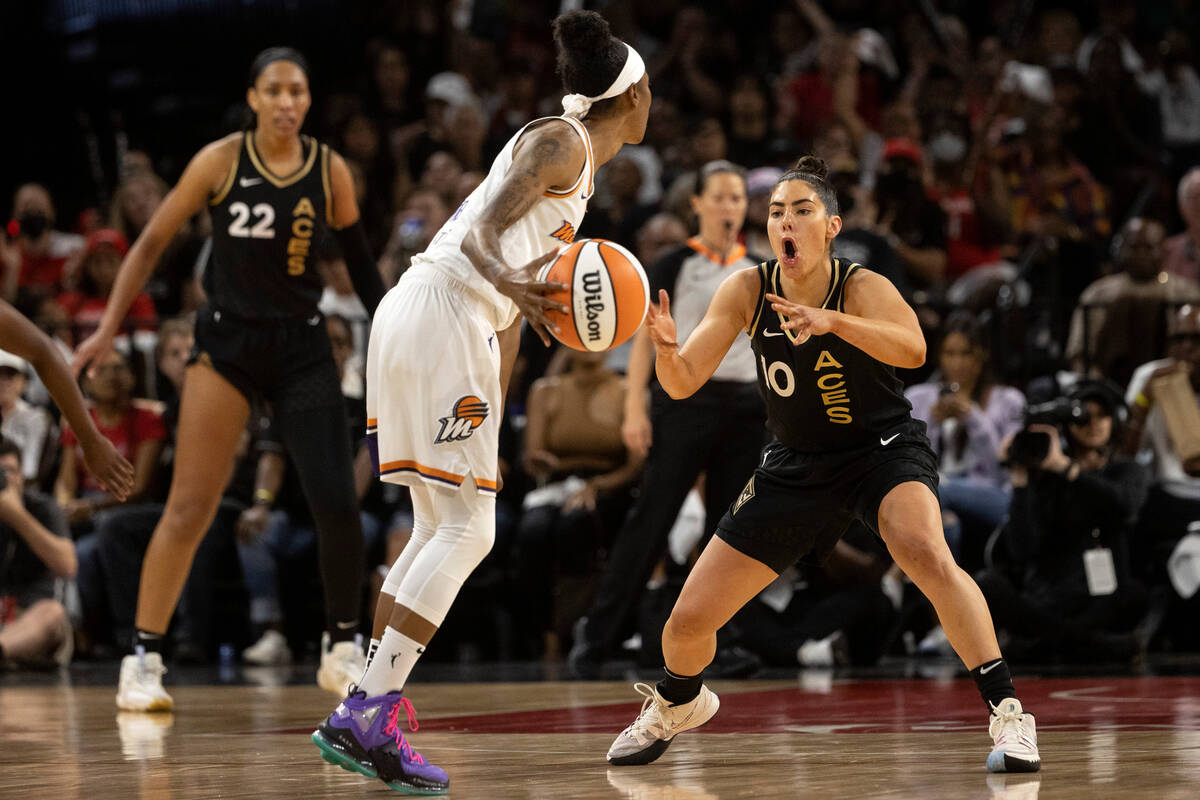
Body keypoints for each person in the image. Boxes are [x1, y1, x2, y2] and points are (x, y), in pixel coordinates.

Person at [605, 156, 1040, 774]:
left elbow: (915, 348)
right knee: (685, 624)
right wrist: (667, 348)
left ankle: (1008, 714)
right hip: (796, 463)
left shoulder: (859, 285)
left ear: (831, 226)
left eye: (802, 210)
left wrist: (830, 322)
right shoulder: (748, 289)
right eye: (777, 211)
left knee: (924, 550)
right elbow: (680, 384)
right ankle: (681, 701)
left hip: (880, 450)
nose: (786, 220)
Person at [310, 11, 651, 795]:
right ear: (632, 95)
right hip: (448, 306)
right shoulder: (561, 142)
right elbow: (479, 241)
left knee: (441, 523)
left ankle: (365, 707)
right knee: (469, 529)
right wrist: (507, 287)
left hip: (439, 316)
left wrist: (496, 389)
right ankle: (369, 708)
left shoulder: (574, 155)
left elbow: (513, 288)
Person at [70, 47, 387, 711]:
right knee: (190, 508)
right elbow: (151, 243)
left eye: (297, 91)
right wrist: (105, 329)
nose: (286, 102)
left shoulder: (330, 171)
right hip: (227, 346)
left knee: (335, 498)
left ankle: (342, 647)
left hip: (301, 345)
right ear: (252, 98)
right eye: (273, 90)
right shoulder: (219, 161)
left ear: (307, 99)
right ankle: (144, 659)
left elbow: (360, 268)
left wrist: (389, 333)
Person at [568, 160, 765, 676]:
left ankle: (719, 644)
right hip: (684, 402)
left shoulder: (761, 268)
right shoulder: (676, 263)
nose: (730, 207)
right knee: (651, 519)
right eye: (719, 197)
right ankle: (599, 639)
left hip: (747, 406)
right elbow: (643, 340)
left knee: (732, 531)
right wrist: (636, 405)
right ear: (695, 204)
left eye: (737, 198)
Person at [975, 379, 1150, 663]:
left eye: (1102, 415)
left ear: (1115, 420)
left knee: (1137, 594)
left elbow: (1123, 505)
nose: (1092, 423)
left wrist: (1067, 469)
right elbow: (1022, 548)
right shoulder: (1047, 476)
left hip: (1101, 598)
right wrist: (1020, 484)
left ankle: (1044, 645)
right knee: (986, 584)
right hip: (1048, 598)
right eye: (1083, 415)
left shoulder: (1127, 471)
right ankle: (1092, 646)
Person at [906, 311, 1025, 570]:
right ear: (939, 356)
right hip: (938, 491)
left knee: (933, 493)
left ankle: (894, 575)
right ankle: (946, 607)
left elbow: (1001, 469)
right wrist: (932, 423)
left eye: (966, 353)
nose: (957, 363)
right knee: (948, 525)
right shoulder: (919, 398)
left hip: (994, 495)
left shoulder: (1008, 401)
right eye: (950, 353)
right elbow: (914, 465)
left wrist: (973, 417)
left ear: (981, 355)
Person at [0, 439, 75, 667]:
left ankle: (2, 649)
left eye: (9, 471)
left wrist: (17, 516)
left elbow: (67, 566)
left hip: (33, 620)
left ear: (22, 475)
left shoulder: (43, 508)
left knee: (52, 613)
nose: (4, 480)